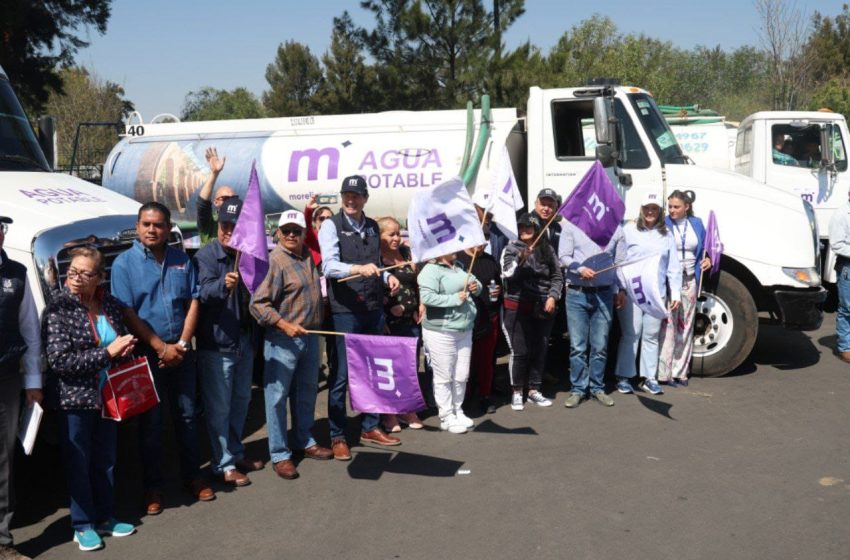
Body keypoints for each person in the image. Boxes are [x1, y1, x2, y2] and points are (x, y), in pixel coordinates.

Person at [111, 202, 214, 515]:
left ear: (168, 228)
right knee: (151, 424)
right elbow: (128, 312)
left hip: (181, 351)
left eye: (158, 225)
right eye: (146, 224)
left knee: (187, 417)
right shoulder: (123, 264)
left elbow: (194, 300)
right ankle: (153, 488)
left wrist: (181, 344)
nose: (151, 230)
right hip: (147, 355)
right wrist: (159, 347)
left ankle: (193, 477)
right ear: (138, 226)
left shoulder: (182, 259)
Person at [42, 247, 137, 551]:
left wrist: (125, 347)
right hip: (75, 399)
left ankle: (105, 517)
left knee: (105, 459)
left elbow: (120, 331)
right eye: (72, 271)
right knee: (78, 462)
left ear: (99, 277)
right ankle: (82, 525)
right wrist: (107, 353)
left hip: (109, 394)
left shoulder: (107, 302)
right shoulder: (58, 308)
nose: (76, 278)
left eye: (84, 273)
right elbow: (60, 362)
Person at [318, 175, 402, 459]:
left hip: (373, 308)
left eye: (356, 196)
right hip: (346, 312)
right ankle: (338, 435)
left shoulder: (372, 226)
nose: (350, 200)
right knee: (341, 374)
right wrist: (356, 268)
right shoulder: (331, 226)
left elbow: (375, 266)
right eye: (346, 195)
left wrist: (388, 276)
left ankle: (370, 426)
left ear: (365, 198)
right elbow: (329, 267)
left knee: (372, 371)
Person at [251, 211, 333, 479]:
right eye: (285, 230)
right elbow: (258, 304)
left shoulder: (308, 254)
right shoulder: (274, 261)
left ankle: (304, 440)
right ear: (277, 233)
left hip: (310, 336)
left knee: (307, 392)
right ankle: (279, 453)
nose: (290, 235)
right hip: (282, 340)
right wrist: (284, 325)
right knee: (276, 398)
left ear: (303, 233)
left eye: (296, 230)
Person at [194, 197, 265, 487]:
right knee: (219, 408)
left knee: (241, 402)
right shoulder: (207, 256)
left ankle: (236, 453)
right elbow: (200, 292)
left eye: (235, 227)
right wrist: (221, 285)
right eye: (225, 225)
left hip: (244, 340)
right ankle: (222, 465)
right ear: (218, 224)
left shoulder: (248, 255)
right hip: (218, 344)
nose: (229, 231)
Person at [0, 216, 42, 560]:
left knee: (4, 460)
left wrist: (32, 382)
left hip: (6, 377)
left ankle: (2, 541)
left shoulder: (17, 274)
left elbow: (30, 330)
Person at [615, 192, 682, 395]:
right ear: (641, 210)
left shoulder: (666, 234)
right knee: (631, 334)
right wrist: (620, 288)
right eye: (647, 209)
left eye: (654, 209)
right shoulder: (628, 230)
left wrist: (676, 293)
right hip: (633, 292)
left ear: (660, 211)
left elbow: (673, 267)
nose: (650, 212)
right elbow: (619, 261)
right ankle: (624, 376)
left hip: (656, 294)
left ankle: (648, 378)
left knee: (651, 335)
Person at [558, 222, 625, 408]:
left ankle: (597, 388)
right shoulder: (571, 226)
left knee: (600, 346)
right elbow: (563, 256)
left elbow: (619, 264)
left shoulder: (617, 230)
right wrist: (580, 268)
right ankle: (578, 389)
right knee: (577, 346)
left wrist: (620, 290)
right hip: (576, 293)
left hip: (603, 294)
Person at [501, 212, 564, 410]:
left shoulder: (548, 249)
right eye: (521, 227)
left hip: (543, 308)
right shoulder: (511, 248)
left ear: (537, 229)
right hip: (516, 308)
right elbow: (507, 273)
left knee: (540, 349)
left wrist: (553, 296)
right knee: (520, 351)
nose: (525, 230)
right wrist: (521, 258)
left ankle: (534, 389)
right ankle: (517, 391)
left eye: (529, 227)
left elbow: (557, 276)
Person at [419, 251, 481, 433]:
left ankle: (457, 409)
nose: (456, 249)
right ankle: (446, 416)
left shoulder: (460, 266)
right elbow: (427, 298)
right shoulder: (430, 270)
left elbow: (477, 285)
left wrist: (476, 287)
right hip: (441, 330)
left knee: (462, 374)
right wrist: (454, 299)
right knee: (444, 375)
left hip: (464, 328)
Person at [658, 191, 711, 386]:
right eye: (670, 206)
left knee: (686, 326)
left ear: (686, 207)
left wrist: (708, 259)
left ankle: (680, 372)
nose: (672, 210)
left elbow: (706, 248)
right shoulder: (663, 224)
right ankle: (664, 373)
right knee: (668, 326)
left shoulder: (696, 224)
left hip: (689, 280)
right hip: (669, 281)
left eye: (676, 206)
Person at [377, 216, 423, 432]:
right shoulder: (375, 258)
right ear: (379, 236)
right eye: (391, 234)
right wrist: (381, 318)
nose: (396, 238)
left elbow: (417, 282)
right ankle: (389, 414)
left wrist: (421, 304)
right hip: (388, 323)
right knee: (389, 370)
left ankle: (407, 409)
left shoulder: (406, 253)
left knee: (410, 368)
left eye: (398, 233)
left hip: (410, 320)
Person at [456, 244, 501, 414]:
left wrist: (497, 292)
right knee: (464, 361)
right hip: (464, 318)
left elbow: (496, 285)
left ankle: (485, 395)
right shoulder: (458, 259)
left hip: (489, 316)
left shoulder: (490, 260)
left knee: (485, 360)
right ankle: (464, 396)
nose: (481, 245)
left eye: (484, 241)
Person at [196, 147, 236, 245]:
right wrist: (214, 173)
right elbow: (202, 204)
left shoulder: (242, 221)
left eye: (233, 198)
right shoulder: (210, 222)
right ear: (216, 202)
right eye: (225, 198)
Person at [829, 188, 850, 363]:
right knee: (847, 308)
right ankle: (845, 347)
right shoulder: (841, 215)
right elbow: (836, 244)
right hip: (847, 266)